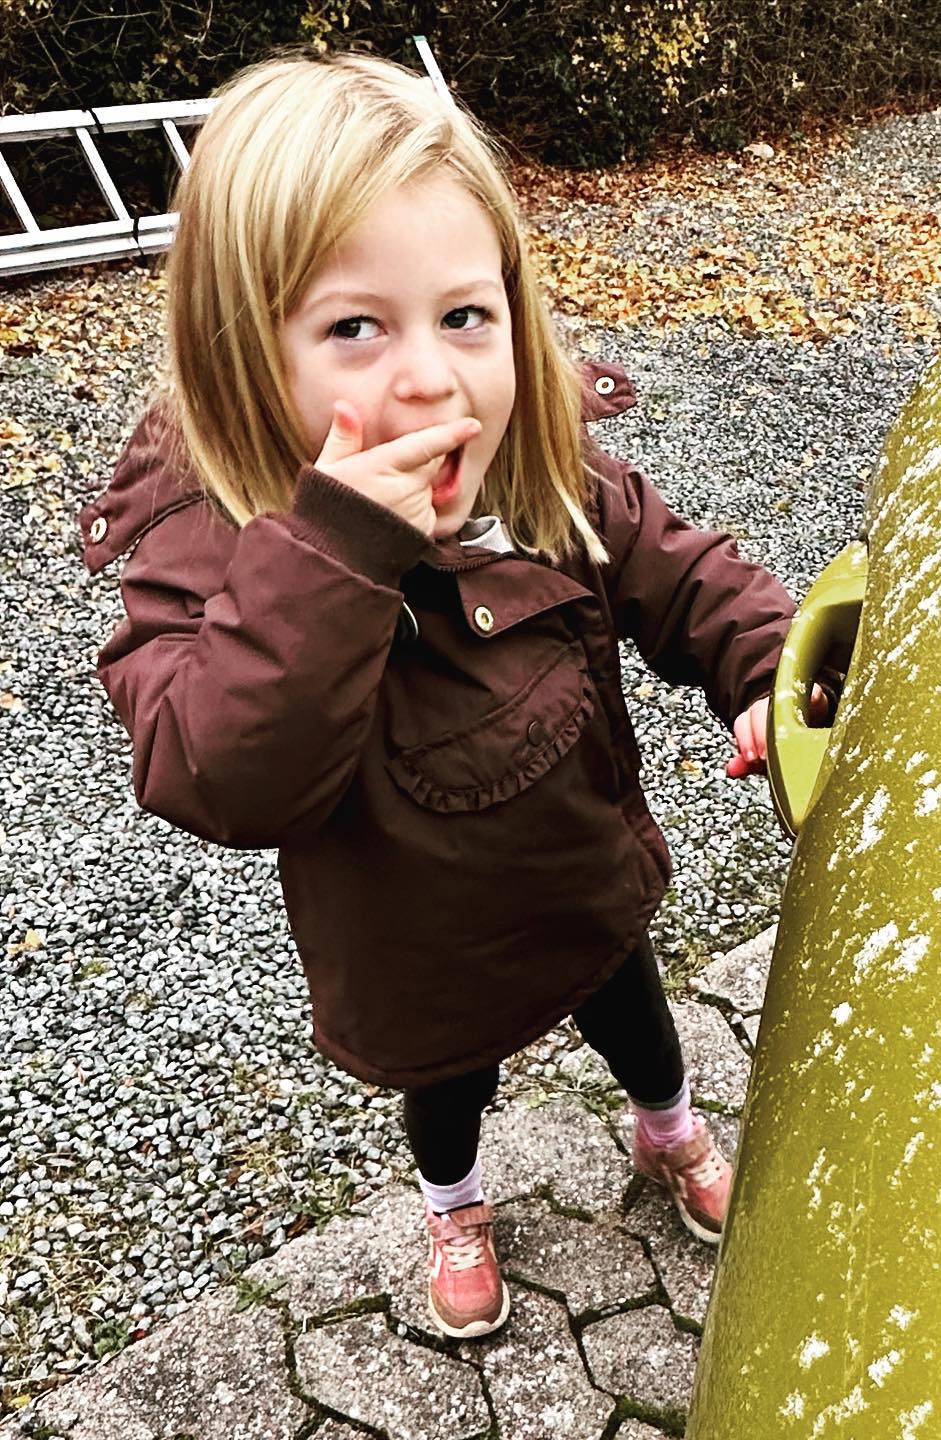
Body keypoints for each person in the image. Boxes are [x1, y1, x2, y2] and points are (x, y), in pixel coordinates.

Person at [79, 49, 813, 1341]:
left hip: (579, 875)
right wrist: (333, 555)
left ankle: (667, 1128)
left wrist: (770, 666)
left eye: (465, 316)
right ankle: (457, 1206)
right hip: (419, 946)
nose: (430, 379)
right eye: (354, 328)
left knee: (640, 1021)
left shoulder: (536, 467)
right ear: (241, 359)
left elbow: (684, 573)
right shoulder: (210, 541)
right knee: (448, 1092)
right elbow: (213, 771)